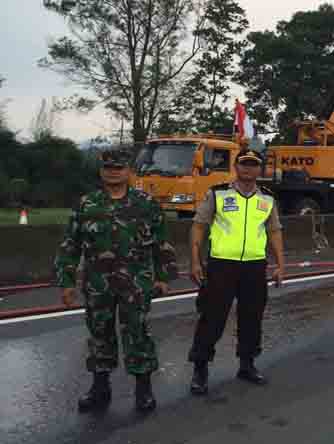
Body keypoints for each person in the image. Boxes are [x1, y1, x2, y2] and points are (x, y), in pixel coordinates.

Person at [55, 149, 177, 413]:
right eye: (108, 168)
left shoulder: (146, 203)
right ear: (101, 171)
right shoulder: (87, 204)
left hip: (136, 282)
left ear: (128, 171)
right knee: (100, 333)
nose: (113, 172)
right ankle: (100, 388)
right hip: (98, 283)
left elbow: (162, 242)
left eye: (119, 168)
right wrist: (66, 282)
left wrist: (164, 276)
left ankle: (143, 390)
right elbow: (70, 245)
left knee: (138, 333)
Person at [188, 148, 286, 395]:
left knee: (252, 317)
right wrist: (195, 262)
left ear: (259, 169)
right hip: (222, 265)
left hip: (254, 266)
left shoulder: (267, 198)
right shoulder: (218, 193)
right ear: (236, 166)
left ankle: (247, 364)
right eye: (244, 163)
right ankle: (200, 368)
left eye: (253, 164)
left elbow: (274, 231)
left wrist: (280, 265)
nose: (248, 168)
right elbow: (199, 226)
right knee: (212, 318)